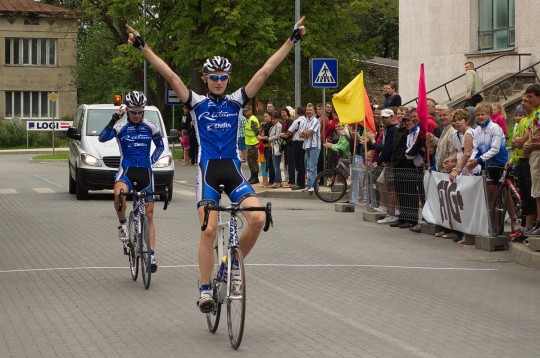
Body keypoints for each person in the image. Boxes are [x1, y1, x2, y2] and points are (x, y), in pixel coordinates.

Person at [125, 18, 306, 312]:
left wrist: (291, 40)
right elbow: (170, 75)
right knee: (208, 231)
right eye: (213, 77)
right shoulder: (196, 103)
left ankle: (232, 265)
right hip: (208, 171)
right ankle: (205, 287)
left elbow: (265, 70)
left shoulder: (236, 101)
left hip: (233, 170)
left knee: (258, 219)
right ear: (206, 79)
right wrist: (144, 47)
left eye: (223, 76)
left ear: (229, 79)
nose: (219, 81)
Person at [98, 90, 163, 273]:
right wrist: (114, 118)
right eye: (133, 111)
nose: (136, 115)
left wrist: (152, 161)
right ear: (127, 111)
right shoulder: (120, 127)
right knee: (119, 194)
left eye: (140, 111)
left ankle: (151, 255)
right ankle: (123, 225)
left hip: (145, 171)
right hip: (126, 170)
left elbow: (160, 146)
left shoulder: (151, 126)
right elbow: (102, 138)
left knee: (149, 214)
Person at [300, 103, 321, 192]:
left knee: (312, 167)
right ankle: (309, 185)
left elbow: (310, 132)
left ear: (314, 111)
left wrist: (305, 133)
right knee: (308, 167)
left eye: (310, 110)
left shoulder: (315, 121)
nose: (308, 111)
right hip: (307, 146)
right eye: (307, 110)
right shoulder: (305, 121)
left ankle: (314, 185)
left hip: (314, 146)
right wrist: (306, 133)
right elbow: (300, 134)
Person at [288, 106, 307, 190]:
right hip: (305, 142)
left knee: (299, 164)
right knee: (303, 162)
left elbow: (289, 131)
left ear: (298, 113)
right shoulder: (307, 121)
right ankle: (301, 182)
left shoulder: (297, 121)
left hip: (297, 142)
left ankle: (300, 183)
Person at [243, 105, 260, 184]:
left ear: (251, 111)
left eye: (247, 111)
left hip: (254, 144)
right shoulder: (249, 119)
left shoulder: (252, 119)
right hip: (249, 143)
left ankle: (255, 178)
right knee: (250, 161)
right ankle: (252, 176)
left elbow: (257, 132)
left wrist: (258, 143)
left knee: (253, 161)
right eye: (245, 111)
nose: (245, 112)